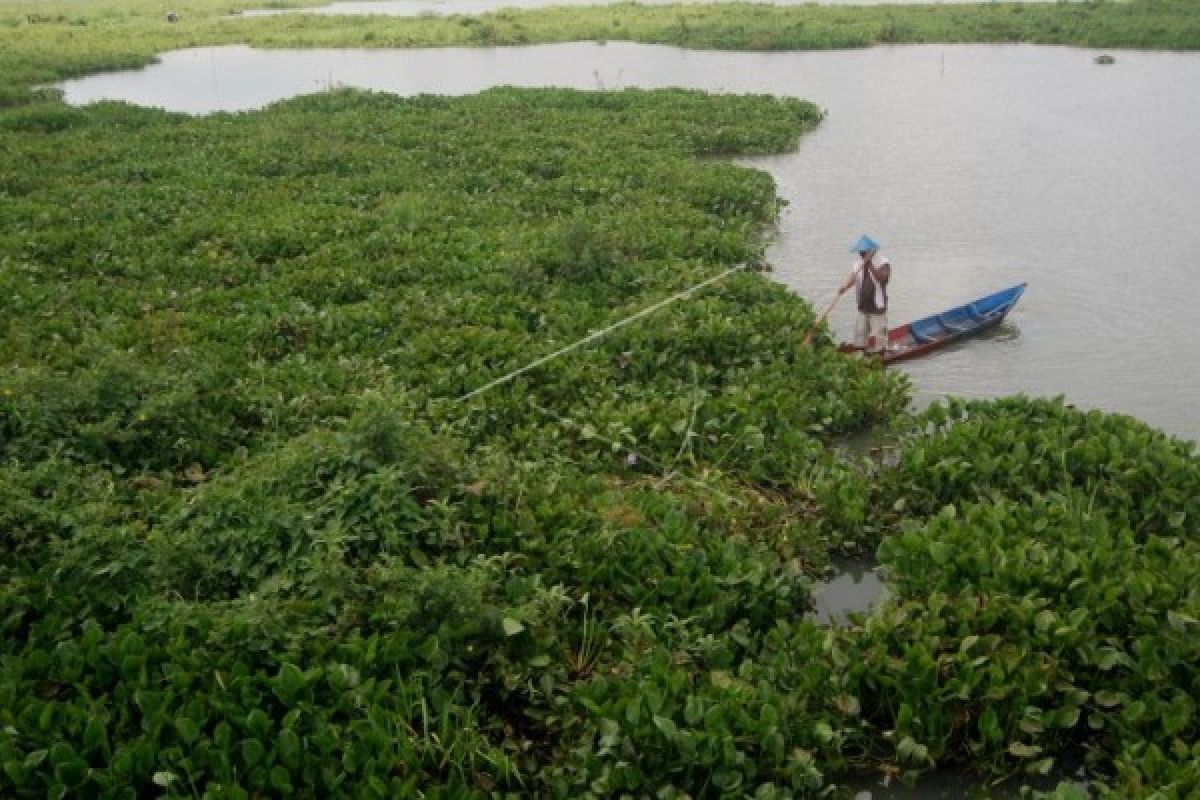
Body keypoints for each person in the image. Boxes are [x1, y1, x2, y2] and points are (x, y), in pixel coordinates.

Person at [838, 234, 891, 354]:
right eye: (860, 252)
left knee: (879, 336)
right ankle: (860, 355)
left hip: (877, 306)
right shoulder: (858, 263)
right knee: (860, 333)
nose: (861, 254)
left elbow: (882, 279)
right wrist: (844, 286)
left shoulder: (883, 263)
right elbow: (853, 276)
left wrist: (869, 264)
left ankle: (880, 355)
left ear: (870, 251)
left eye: (863, 252)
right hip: (863, 305)